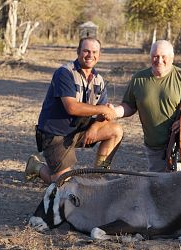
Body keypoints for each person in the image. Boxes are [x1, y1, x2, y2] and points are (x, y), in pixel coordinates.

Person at [25, 37, 122, 184]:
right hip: (56, 134)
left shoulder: (99, 79)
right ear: (78, 52)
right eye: (86, 51)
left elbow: (103, 115)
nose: (90, 55)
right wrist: (102, 109)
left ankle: (99, 177)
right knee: (64, 183)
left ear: (99, 55)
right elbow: (72, 107)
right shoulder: (64, 73)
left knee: (116, 130)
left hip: (79, 131)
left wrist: (94, 128)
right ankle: (36, 167)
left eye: (94, 52)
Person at [112, 40, 181, 172]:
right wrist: (113, 112)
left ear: (172, 58)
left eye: (164, 57)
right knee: (159, 185)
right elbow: (129, 106)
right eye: (155, 56)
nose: (159, 60)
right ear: (150, 56)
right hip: (155, 145)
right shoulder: (138, 79)